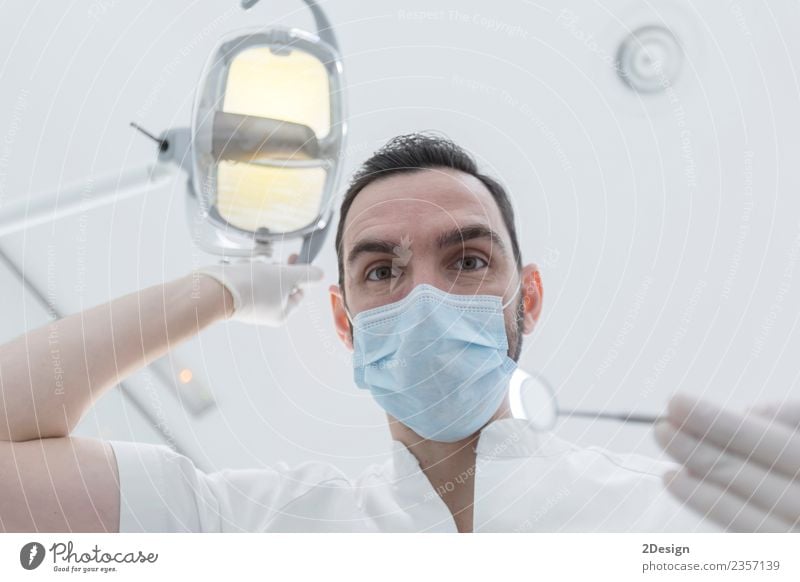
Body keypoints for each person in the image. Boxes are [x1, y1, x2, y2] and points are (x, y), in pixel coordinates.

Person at [0, 133, 795, 533]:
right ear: (345, 322)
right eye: (381, 272)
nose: (424, 299)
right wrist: (216, 290)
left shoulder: (678, 519)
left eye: (469, 260)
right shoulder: (256, 527)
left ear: (531, 299)